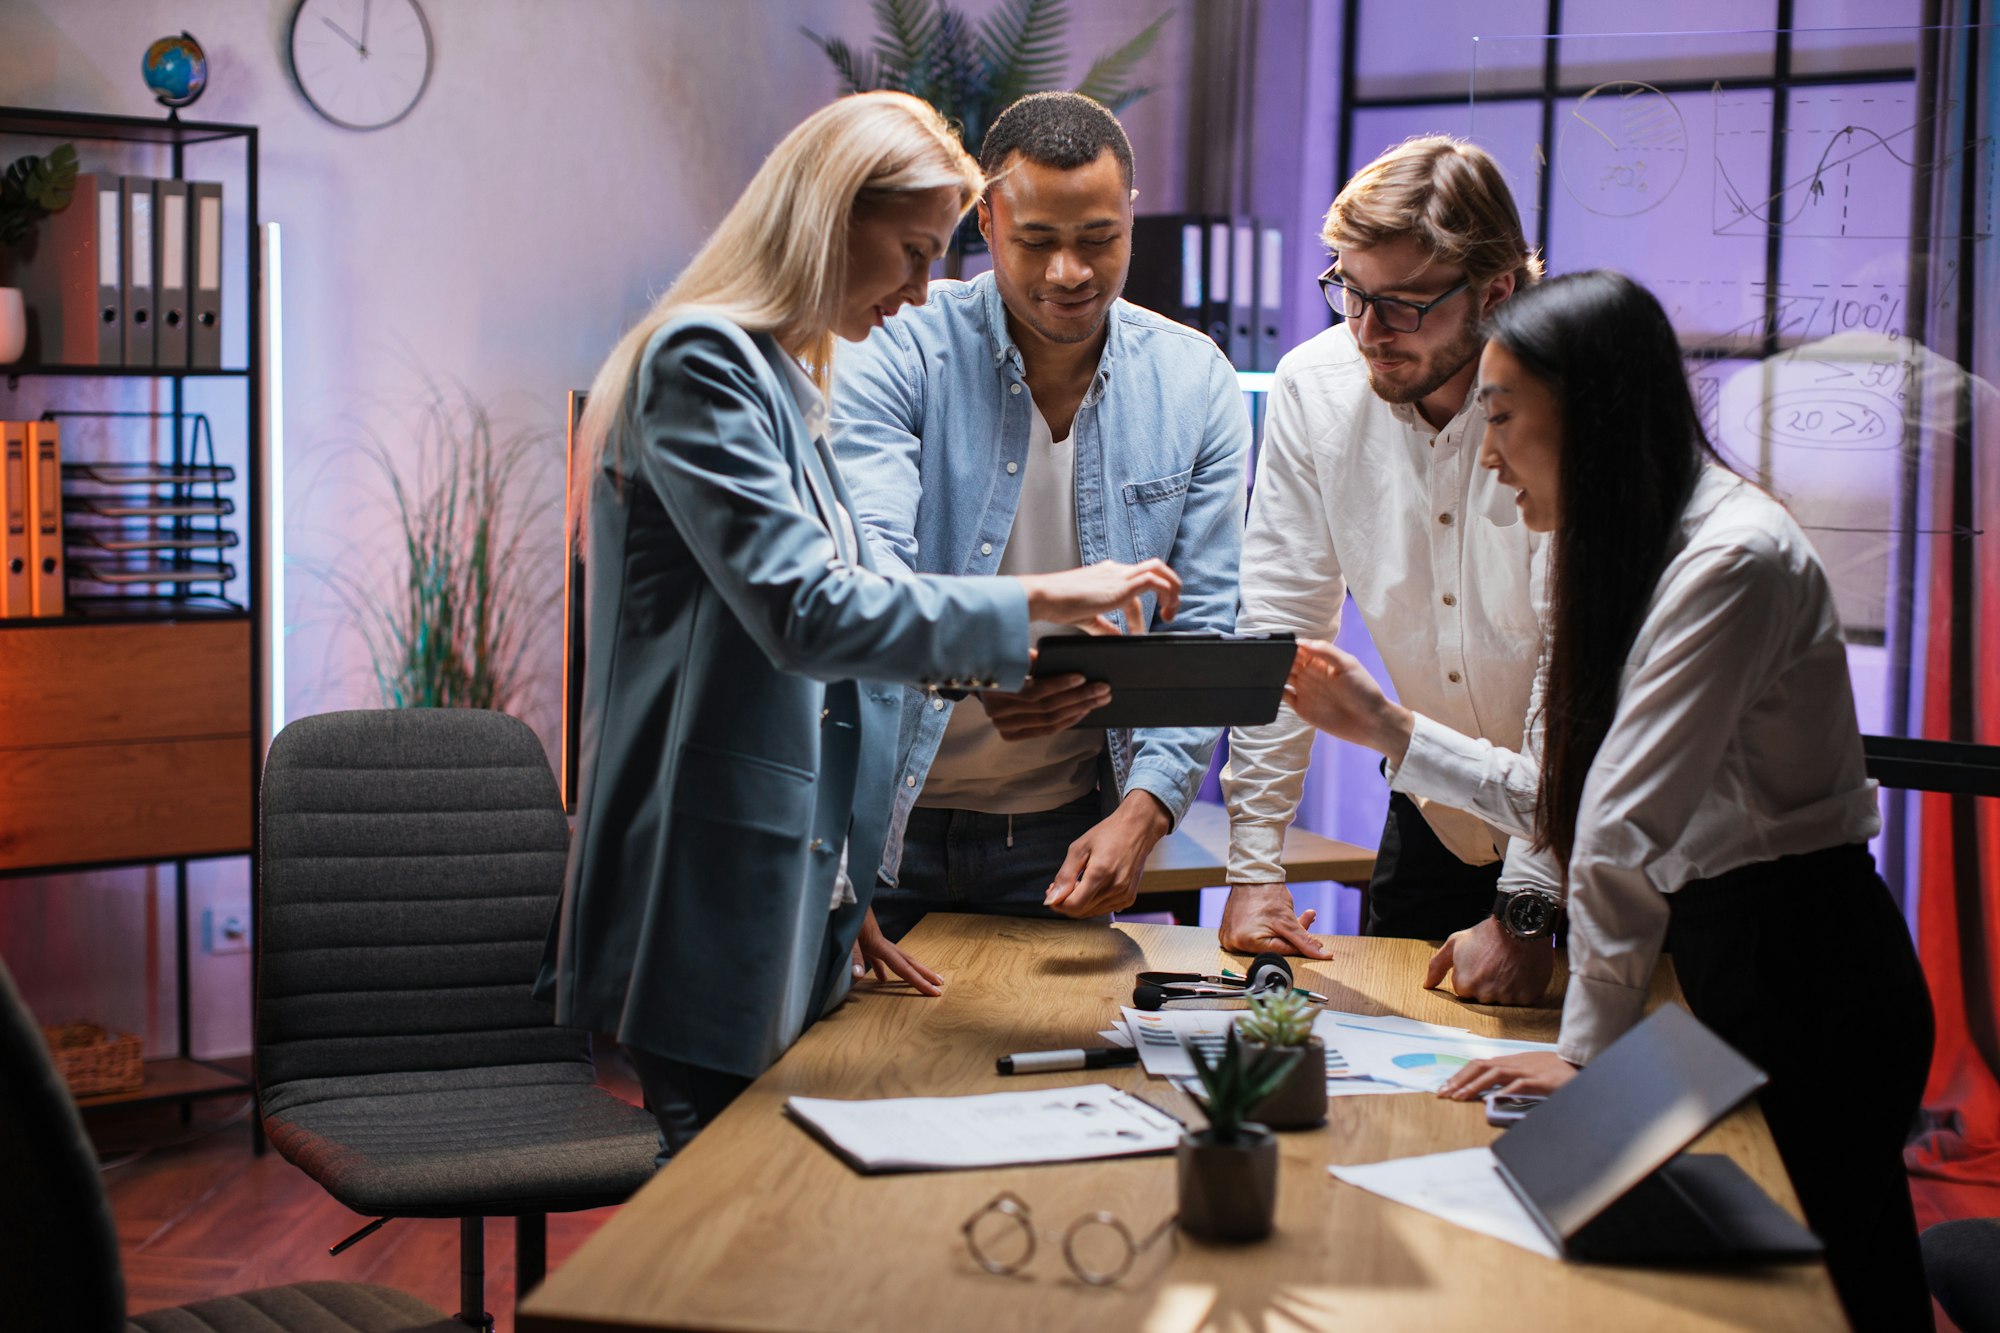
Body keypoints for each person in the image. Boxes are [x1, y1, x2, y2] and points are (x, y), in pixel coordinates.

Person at [1285, 270, 1934, 1330]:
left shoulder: (1731, 558)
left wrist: (1586, 1056)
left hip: (1803, 966)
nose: (1485, 455)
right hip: (1716, 955)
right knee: (1686, 1267)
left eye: (1500, 417)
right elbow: (1562, 794)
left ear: (1586, 415)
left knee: (1823, 1290)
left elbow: (1616, 826)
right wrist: (1389, 730)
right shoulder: (1598, 547)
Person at [536, 91, 1182, 1158]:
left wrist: (834, 882)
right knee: (721, 1214)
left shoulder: (785, 378)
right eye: (914, 252)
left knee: (763, 1203)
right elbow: (808, 615)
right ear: (829, 219)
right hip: (704, 883)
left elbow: (828, 672)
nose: (922, 290)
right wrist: (1043, 597)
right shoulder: (699, 365)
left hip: (778, 881)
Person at [833, 91, 1248, 943]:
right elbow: (871, 576)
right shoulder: (899, 344)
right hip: (875, 825)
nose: (1070, 272)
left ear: (1130, 217)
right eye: (1037, 242)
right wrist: (997, 656)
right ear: (984, 221)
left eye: (1098, 239)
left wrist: (1148, 808)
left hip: (1064, 833)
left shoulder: (1195, 381)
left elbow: (1201, 624)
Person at [1219, 136, 1551, 987]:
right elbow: (1280, 630)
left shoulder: (1563, 401)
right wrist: (1256, 865)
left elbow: (1572, 686)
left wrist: (1527, 903)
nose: (1367, 332)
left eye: (1402, 305)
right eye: (1349, 292)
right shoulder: (1314, 385)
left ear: (1496, 290)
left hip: (1573, 839)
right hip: (1433, 815)